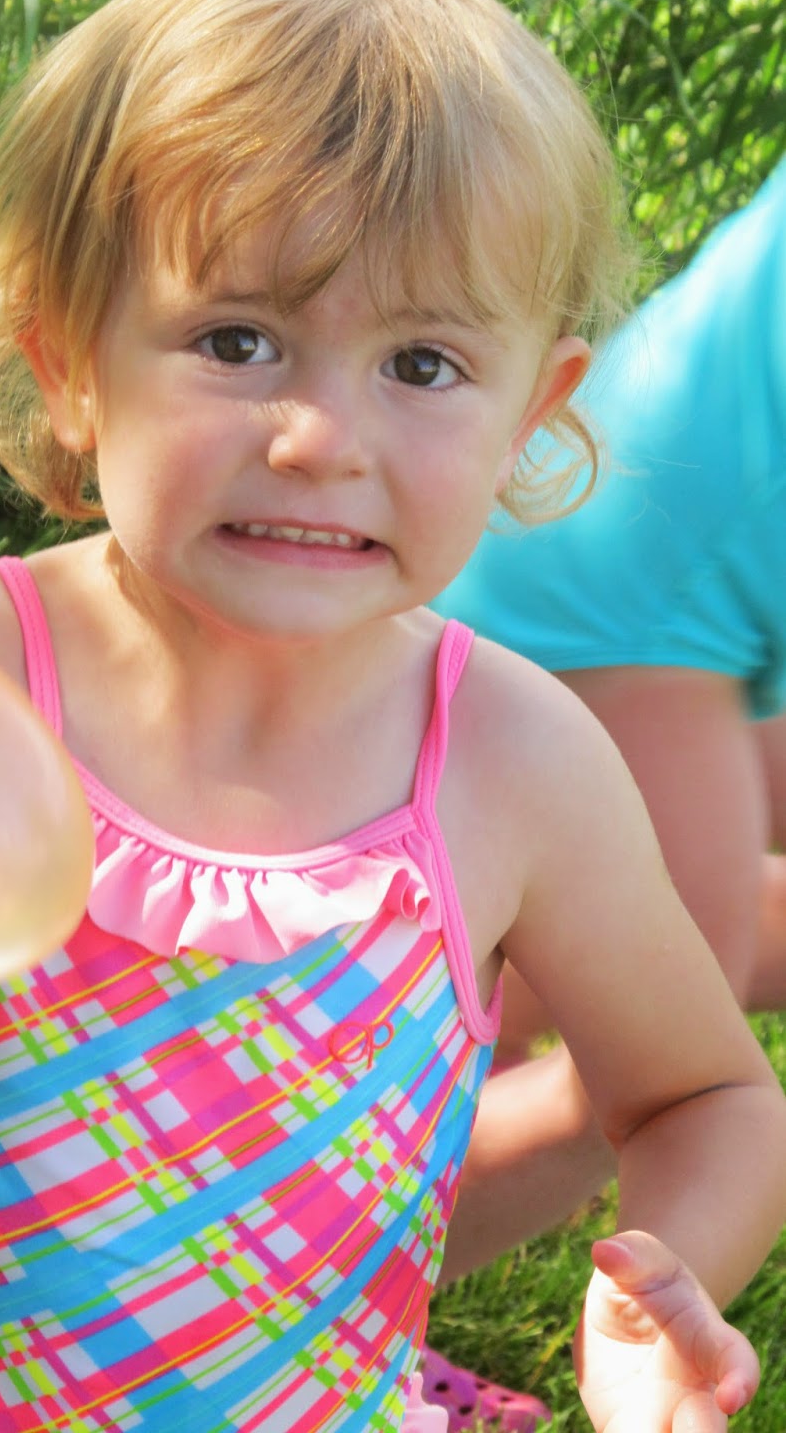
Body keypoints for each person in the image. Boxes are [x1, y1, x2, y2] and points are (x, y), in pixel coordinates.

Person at [0, 0, 785, 1433]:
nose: (318, 440)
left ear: (531, 410)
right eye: (236, 341)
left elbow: (703, 1095)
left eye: (421, 366)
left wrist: (662, 1288)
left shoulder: (512, 761)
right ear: (69, 361)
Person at [431, 157, 786, 1417]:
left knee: (522, 961)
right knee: (620, 1052)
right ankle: (302, 1321)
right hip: (635, 580)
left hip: (686, 560)